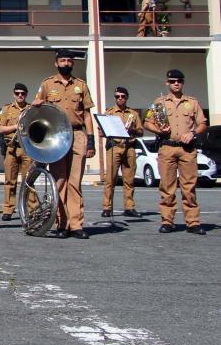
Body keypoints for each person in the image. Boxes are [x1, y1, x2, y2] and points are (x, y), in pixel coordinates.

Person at [32, 50, 95, 239]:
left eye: (69, 60)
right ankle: (62, 223)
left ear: (72, 63)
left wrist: (90, 140)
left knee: (75, 182)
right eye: (62, 60)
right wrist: (36, 103)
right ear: (56, 63)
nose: (66, 63)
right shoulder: (47, 84)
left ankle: (76, 224)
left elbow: (86, 114)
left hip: (77, 134)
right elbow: (38, 108)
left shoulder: (81, 85)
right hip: (56, 135)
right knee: (60, 181)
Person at [143, 69, 207, 235]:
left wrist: (192, 133)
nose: (176, 83)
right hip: (167, 147)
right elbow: (147, 122)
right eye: (172, 81)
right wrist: (158, 129)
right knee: (167, 187)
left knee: (189, 187)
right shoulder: (159, 102)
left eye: (179, 81)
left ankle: (192, 222)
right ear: (167, 83)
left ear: (183, 82)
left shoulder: (192, 102)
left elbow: (202, 124)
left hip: (187, 149)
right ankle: (167, 221)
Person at [100, 87, 143, 218]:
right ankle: (107, 207)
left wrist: (133, 130)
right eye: (117, 96)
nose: (120, 99)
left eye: (123, 96)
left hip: (129, 147)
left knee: (129, 180)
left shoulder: (133, 114)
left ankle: (129, 207)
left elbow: (141, 132)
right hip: (115, 146)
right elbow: (102, 131)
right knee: (110, 179)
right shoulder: (109, 113)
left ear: (127, 97)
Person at [0, 83, 34, 221]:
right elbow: (0, 129)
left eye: (22, 93)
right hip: (11, 148)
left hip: (26, 148)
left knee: (29, 180)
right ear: (14, 94)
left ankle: (32, 209)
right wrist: (15, 126)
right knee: (9, 181)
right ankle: (8, 209)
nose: (20, 96)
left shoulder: (31, 109)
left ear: (26, 95)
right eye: (17, 93)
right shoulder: (7, 108)